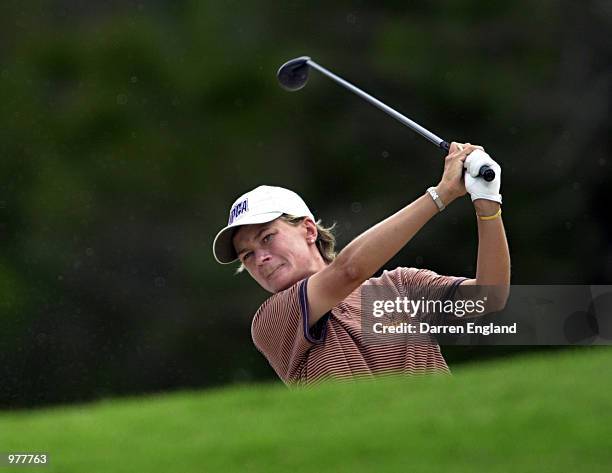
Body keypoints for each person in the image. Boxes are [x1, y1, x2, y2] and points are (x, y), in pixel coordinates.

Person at [212, 142, 510, 386]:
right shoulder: (273, 320)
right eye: (246, 255)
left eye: (266, 238)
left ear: (308, 230)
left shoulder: (401, 286)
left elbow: (489, 296)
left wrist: (487, 203)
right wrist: (441, 194)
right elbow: (348, 271)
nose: (259, 258)